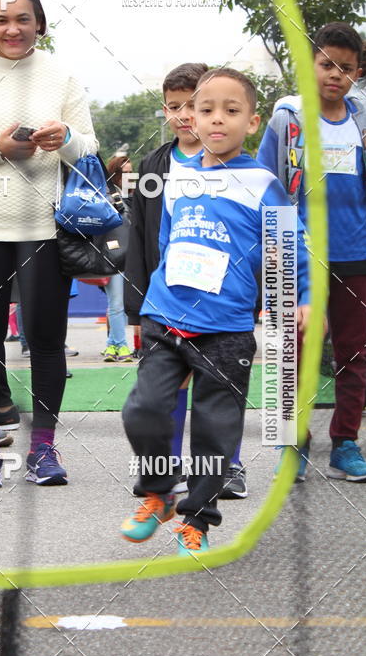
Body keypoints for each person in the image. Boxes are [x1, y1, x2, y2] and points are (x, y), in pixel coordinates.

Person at [120, 68, 310, 552]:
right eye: (206, 110)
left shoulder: (262, 181)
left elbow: (288, 248)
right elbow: (166, 241)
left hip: (225, 329)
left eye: (231, 111)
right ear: (190, 118)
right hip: (165, 316)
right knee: (142, 410)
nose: (216, 120)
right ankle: (158, 492)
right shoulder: (176, 177)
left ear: (252, 122)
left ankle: (197, 520)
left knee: (213, 429)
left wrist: (298, 300)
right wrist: (153, 299)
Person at [0, 0, 98, 488]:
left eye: (23, 18)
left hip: (45, 229)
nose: (13, 28)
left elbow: (88, 150)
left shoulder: (61, 75)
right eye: (2, 19)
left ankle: (43, 448)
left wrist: (64, 139)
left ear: (39, 22)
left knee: (46, 341)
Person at [124, 63, 248, 500]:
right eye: (174, 107)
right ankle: (163, 468)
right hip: (166, 301)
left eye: (192, 105)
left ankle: (225, 467)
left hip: (222, 304)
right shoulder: (154, 166)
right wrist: (134, 307)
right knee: (160, 390)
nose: (184, 115)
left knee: (218, 394)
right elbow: (140, 236)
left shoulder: (243, 172)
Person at [258, 23, 366, 481]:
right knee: (296, 351)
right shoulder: (289, 118)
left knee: (355, 353)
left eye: (345, 68)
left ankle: (345, 442)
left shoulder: (364, 119)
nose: (334, 75)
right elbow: (264, 185)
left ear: (357, 72)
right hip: (298, 257)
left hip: (357, 254)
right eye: (326, 64)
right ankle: (294, 445)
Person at [100, 154, 133, 363]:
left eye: (131, 172)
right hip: (113, 254)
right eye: (124, 173)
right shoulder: (108, 194)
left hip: (129, 254)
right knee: (117, 303)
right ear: (115, 173)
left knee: (118, 303)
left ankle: (111, 345)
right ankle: (121, 346)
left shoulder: (135, 194)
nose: (129, 176)